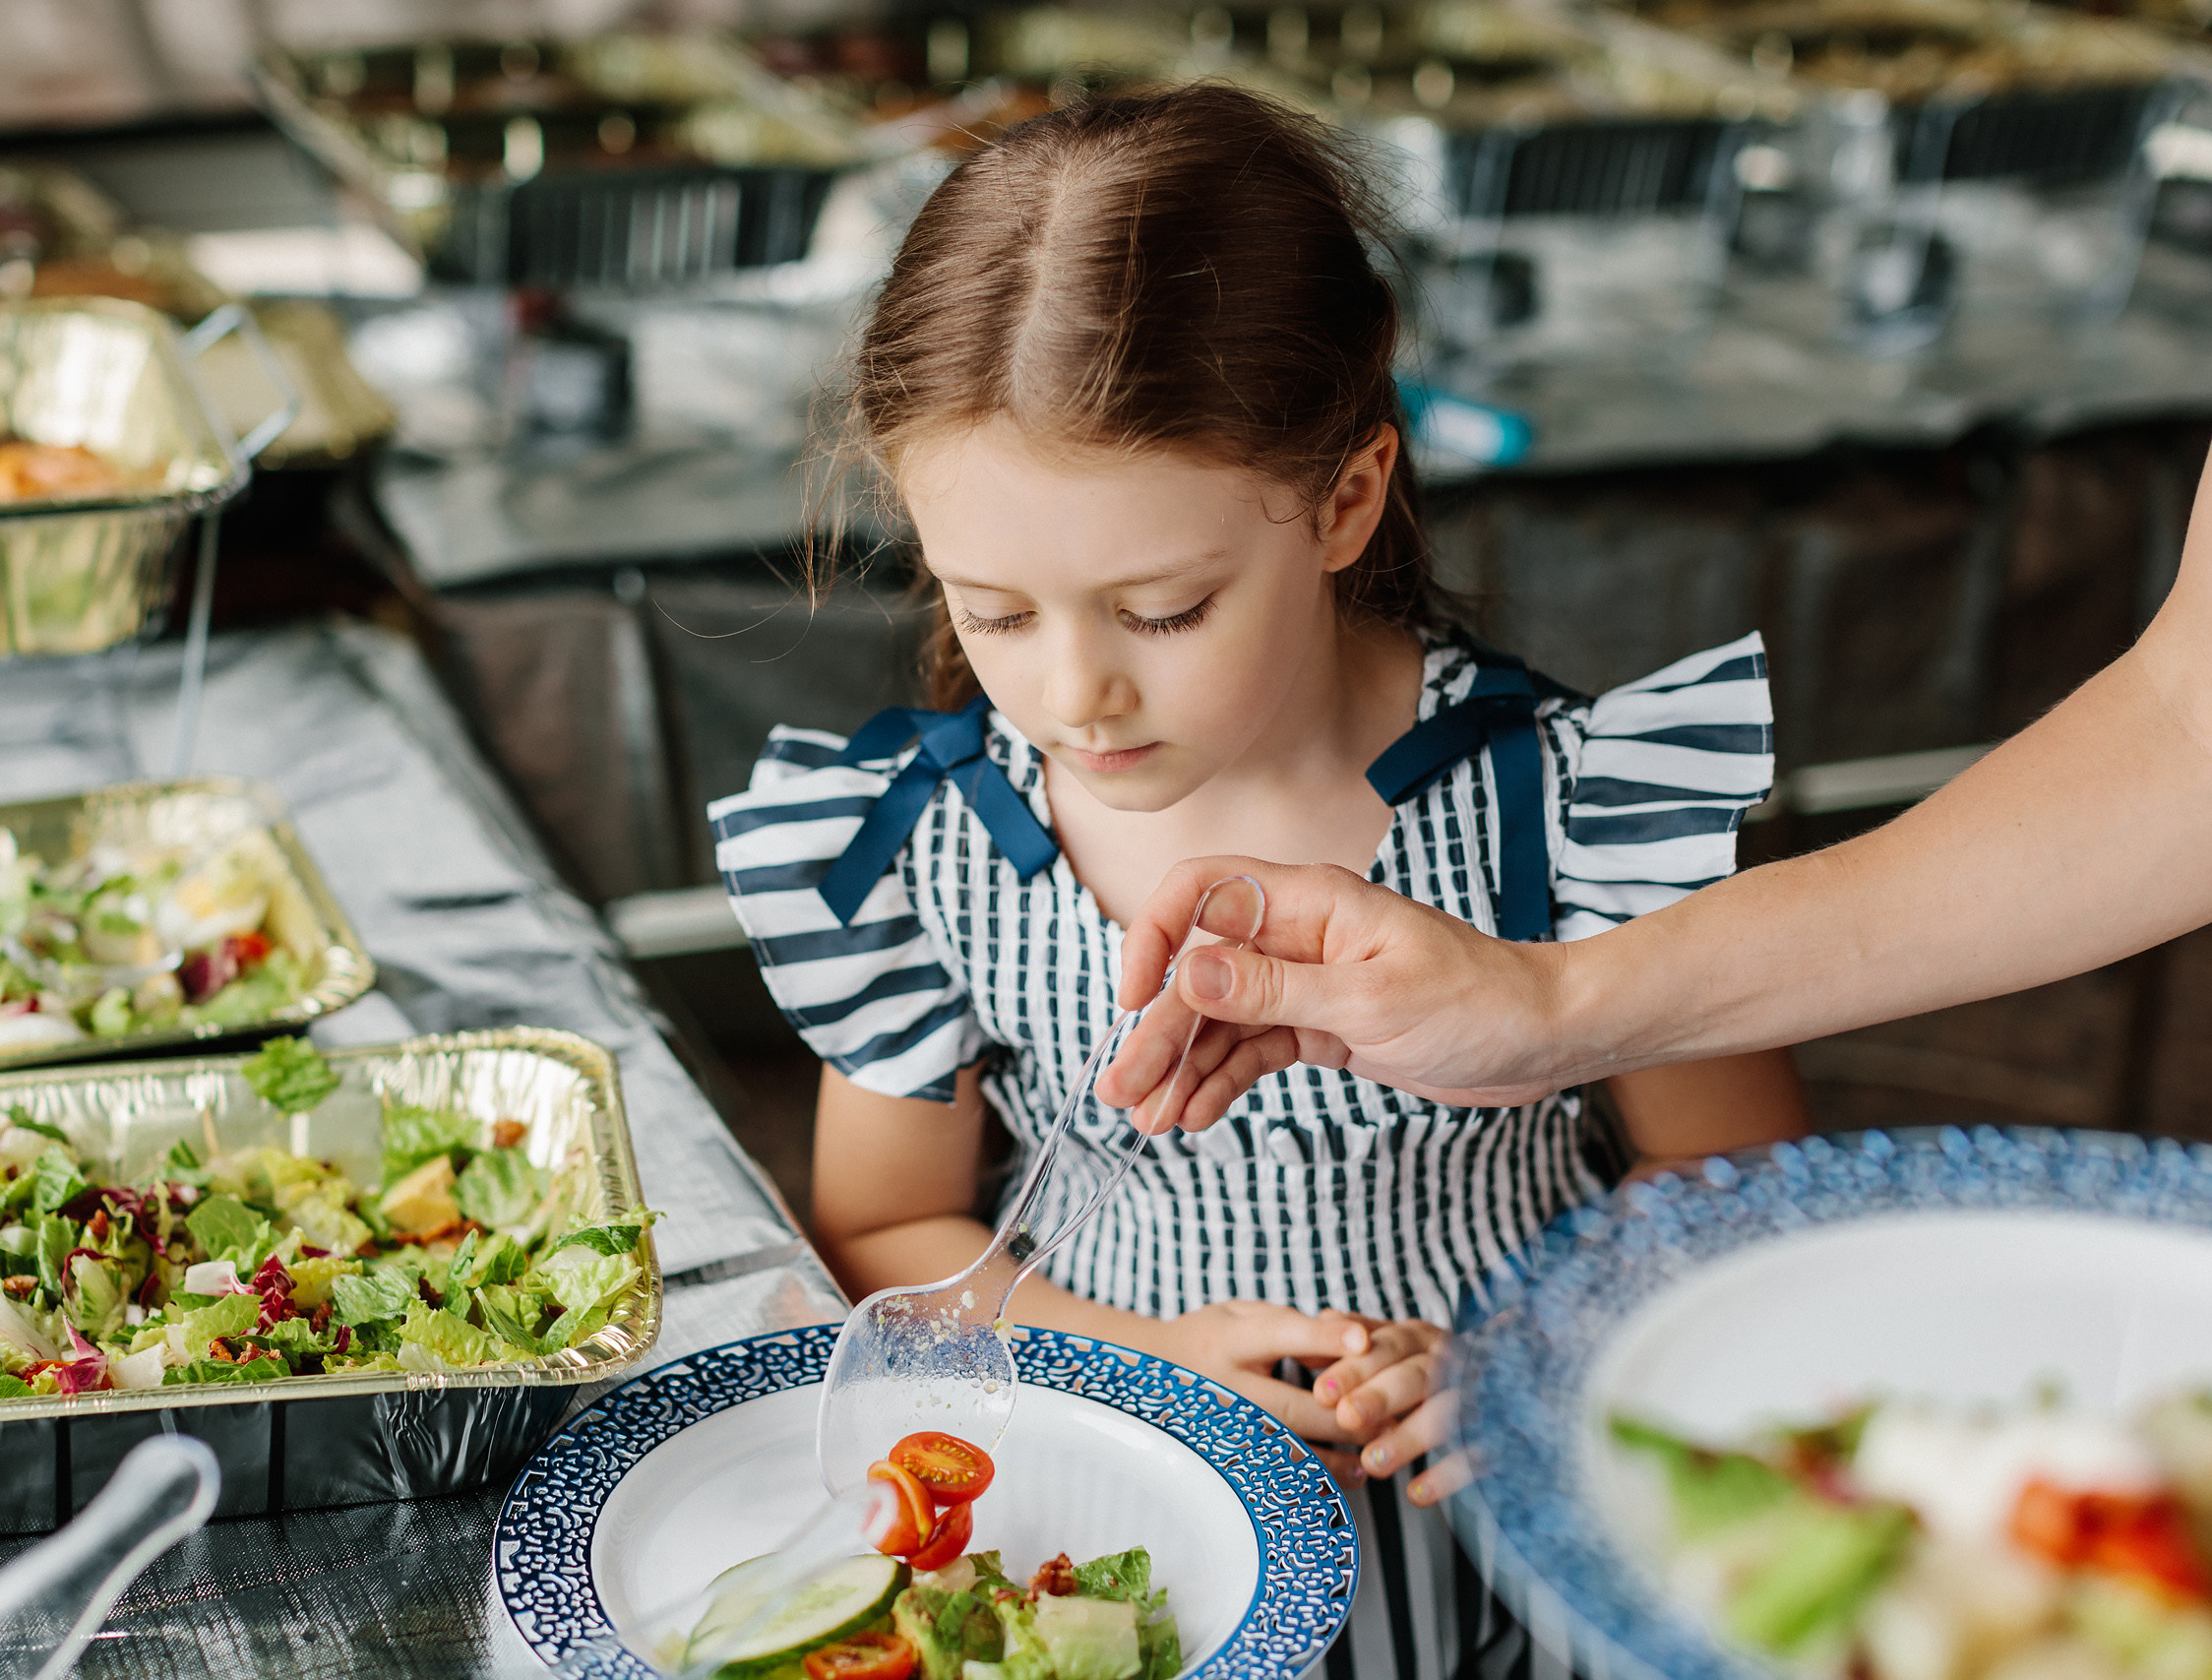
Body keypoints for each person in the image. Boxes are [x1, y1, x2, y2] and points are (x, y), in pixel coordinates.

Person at [709, 86, 1810, 1680]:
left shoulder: (1565, 811)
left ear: (1346, 500)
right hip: (1132, 1531)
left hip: (1536, 1512)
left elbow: (1744, 1204)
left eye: (1161, 608)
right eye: (996, 612)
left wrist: (1524, 1359)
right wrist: (1153, 1361)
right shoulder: (929, 846)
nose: (1076, 695)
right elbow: (887, 1220)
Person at [1094, 445, 2212, 1132]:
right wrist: (1555, 1009)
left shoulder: (1561, 785)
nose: (1077, 689)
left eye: (1163, 611)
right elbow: (2183, 724)